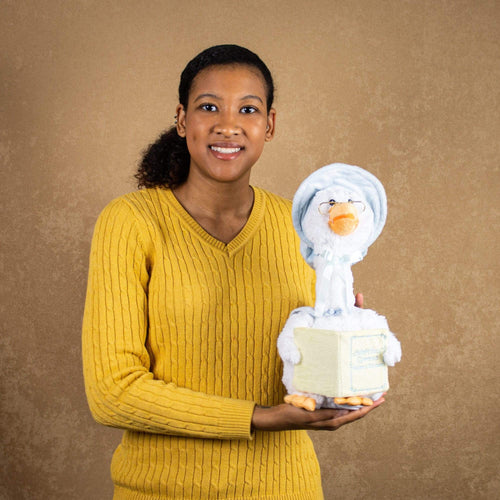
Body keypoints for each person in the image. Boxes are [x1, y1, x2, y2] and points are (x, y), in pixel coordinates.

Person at [82, 44, 384, 500]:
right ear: (183, 120)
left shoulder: (302, 226)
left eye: (248, 108)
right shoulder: (131, 221)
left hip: (287, 489)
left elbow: (303, 368)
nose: (228, 125)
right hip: (159, 491)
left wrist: (344, 349)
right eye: (209, 107)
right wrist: (256, 417)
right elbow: (112, 391)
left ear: (270, 125)